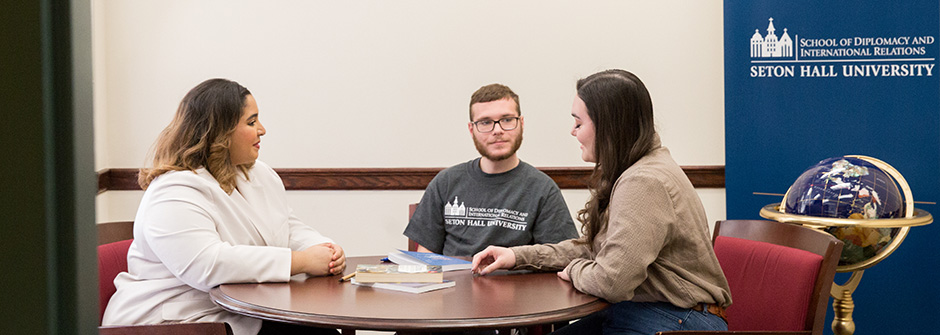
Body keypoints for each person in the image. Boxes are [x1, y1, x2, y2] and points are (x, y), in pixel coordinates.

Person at [471, 70, 732, 334]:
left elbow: (611, 282)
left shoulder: (644, 181)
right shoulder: (638, 168)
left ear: (607, 125)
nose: (572, 131)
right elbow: (597, 250)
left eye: (579, 122)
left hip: (678, 319)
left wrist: (574, 271)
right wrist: (516, 256)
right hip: (652, 311)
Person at [102, 78, 344, 335]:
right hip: (174, 320)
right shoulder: (172, 192)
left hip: (238, 309)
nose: (262, 130)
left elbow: (287, 226)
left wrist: (322, 248)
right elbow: (207, 265)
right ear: (220, 132)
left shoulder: (258, 174)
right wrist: (301, 261)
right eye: (251, 122)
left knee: (320, 331)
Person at [404, 83, 579, 257]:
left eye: (507, 120)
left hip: (516, 283)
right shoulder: (446, 182)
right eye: (486, 122)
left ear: (521, 123)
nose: (497, 130)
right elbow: (425, 259)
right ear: (471, 129)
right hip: (456, 282)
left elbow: (562, 256)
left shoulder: (542, 189)